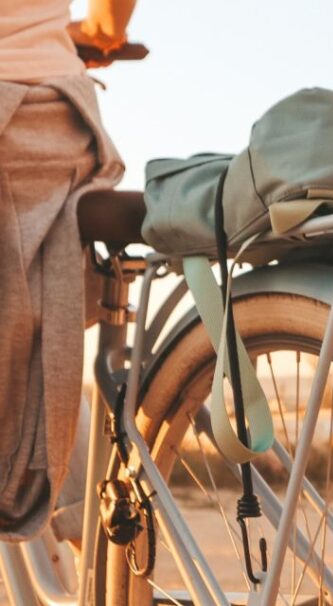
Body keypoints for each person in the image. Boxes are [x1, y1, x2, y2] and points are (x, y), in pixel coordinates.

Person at [0, 0, 136, 542]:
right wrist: (99, 33)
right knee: (42, 332)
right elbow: (109, 17)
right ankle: (86, 533)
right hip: (62, 127)